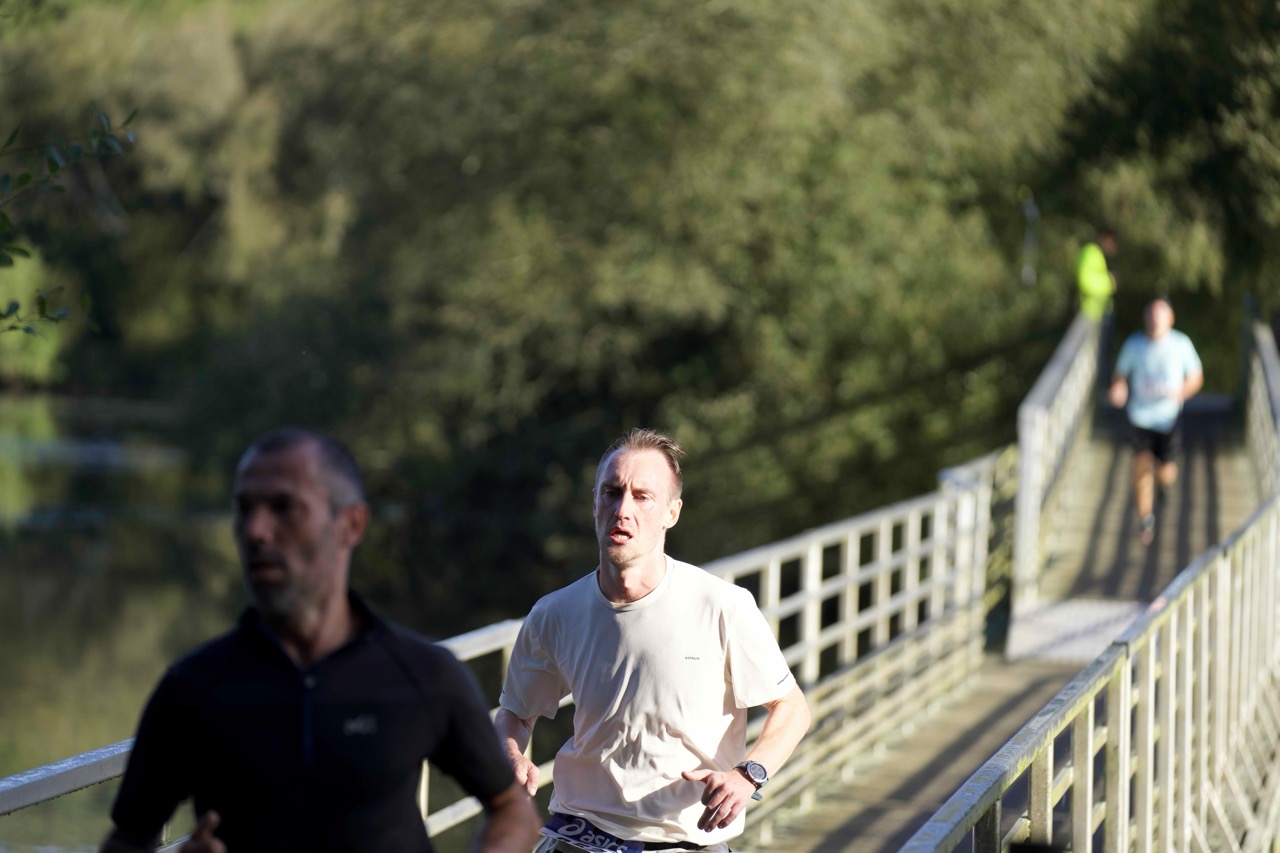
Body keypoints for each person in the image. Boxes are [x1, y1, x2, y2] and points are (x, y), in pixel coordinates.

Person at [100, 428, 540, 853]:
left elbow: (512, 810)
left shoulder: (425, 675)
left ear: (350, 525)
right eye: (245, 508)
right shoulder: (193, 687)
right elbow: (127, 840)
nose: (255, 530)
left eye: (284, 507)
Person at [494, 429, 812, 853]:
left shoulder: (722, 605)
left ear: (671, 513)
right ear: (594, 503)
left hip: (683, 842)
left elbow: (791, 707)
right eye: (611, 492)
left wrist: (748, 774)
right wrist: (512, 755)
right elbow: (516, 713)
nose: (623, 509)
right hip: (577, 835)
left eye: (643, 497)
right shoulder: (553, 613)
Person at [1108, 299, 1203, 545]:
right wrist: (1119, 387)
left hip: (1168, 417)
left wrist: (1182, 392)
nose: (1155, 320)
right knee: (1141, 465)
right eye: (1151, 314)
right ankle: (1146, 519)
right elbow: (1120, 374)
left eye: (1160, 315)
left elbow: (1196, 377)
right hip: (1140, 417)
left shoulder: (1181, 344)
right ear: (1145, 318)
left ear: (1170, 319)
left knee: (1167, 470)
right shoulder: (1134, 344)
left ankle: (1164, 485)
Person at [1077, 227, 1118, 321]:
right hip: (1089, 312)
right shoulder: (1090, 252)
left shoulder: (1098, 255)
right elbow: (1085, 282)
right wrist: (1110, 282)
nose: (1114, 246)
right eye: (1112, 241)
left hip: (1099, 314)